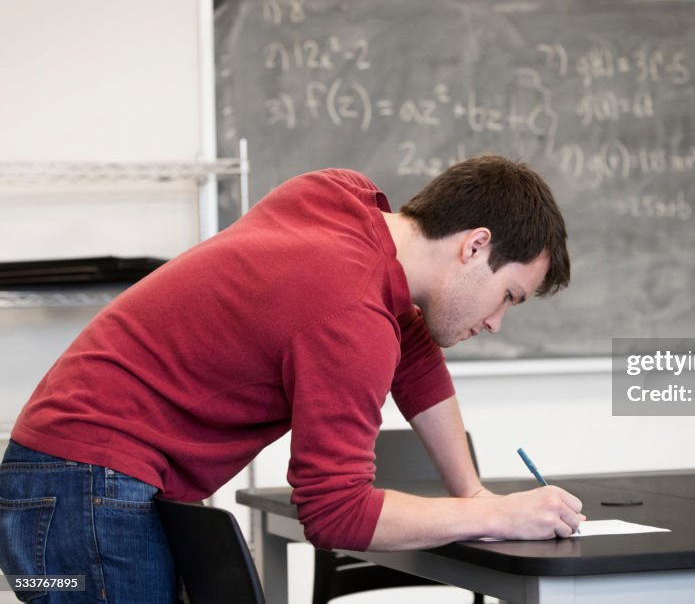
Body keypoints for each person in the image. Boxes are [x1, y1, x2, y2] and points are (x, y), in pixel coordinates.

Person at [0, 155, 583, 603]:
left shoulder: (338, 196)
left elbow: (414, 349)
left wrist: (472, 491)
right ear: (475, 245)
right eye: (507, 295)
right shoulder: (351, 316)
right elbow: (336, 515)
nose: (496, 322)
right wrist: (499, 515)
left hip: (61, 480)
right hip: (89, 493)